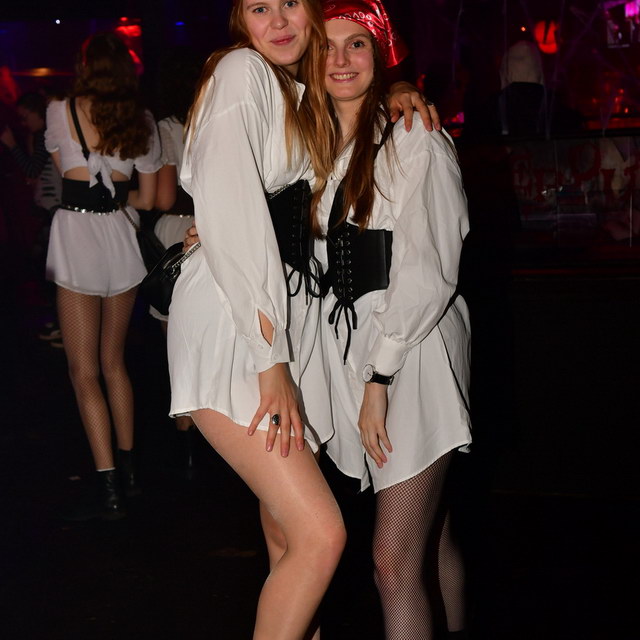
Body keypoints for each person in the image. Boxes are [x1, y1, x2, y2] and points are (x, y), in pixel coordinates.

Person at [313, 3, 472, 638]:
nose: (340, 59)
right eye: (327, 46)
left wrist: (379, 376)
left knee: (393, 560)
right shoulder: (316, 144)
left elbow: (429, 268)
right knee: (430, 537)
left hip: (411, 352)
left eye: (356, 44)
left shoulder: (414, 137)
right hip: (360, 352)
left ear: (380, 56)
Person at [45, 32, 161, 520]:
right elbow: (149, 199)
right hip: (118, 237)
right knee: (115, 363)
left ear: (85, 67)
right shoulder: (142, 120)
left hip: (77, 238)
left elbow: (65, 178)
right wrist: (117, 195)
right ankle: (130, 473)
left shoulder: (60, 110)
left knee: (83, 370)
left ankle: (109, 483)